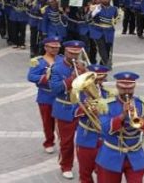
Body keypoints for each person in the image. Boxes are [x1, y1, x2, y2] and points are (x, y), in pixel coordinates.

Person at [96, 71, 144, 183]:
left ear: (134, 87)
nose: (127, 92)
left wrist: (139, 120)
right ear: (117, 87)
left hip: (135, 157)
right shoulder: (107, 105)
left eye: (130, 89)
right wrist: (122, 116)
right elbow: (104, 130)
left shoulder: (142, 104)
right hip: (111, 156)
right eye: (123, 89)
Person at [50, 40, 87, 179]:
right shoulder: (57, 68)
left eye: (76, 54)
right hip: (64, 108)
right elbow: (55, 89)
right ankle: (66, 165)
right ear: (65, 52)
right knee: (66, 141)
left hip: (82, 107)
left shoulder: (84, 66)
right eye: (71, 53)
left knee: (88, 139)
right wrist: (71, 79)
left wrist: (85, 73)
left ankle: (88, 165)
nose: (74, 57)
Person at [75, 64, 110, 183]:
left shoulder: (109, 94)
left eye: (99, 79)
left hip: (105, 140)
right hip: (86, 137)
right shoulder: (79, 93)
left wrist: (102, 111)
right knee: (85, 174)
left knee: (104, 173)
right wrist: (86, 108)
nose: (96, 83)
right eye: (93, 80)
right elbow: (72, 113)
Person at [27, 36, 61, 154]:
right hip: (45, 95)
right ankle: (49, 141)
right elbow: (31, 76)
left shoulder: (62, 59)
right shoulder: (38, 61)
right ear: (46, 47)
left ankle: (63, 141)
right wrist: (46, 78)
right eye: (52, 47)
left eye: (57, 47)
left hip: (60, 95)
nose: (55, 49)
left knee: (62, 121)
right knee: (48, 122)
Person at [89, 0, 118, 68]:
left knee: (108, 47)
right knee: (101, 47)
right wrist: (94, 12)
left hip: (109, 31)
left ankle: (103, 63)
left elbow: (116, 19)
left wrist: (115, 20)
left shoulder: (114, 9)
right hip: (97, 30)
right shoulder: (95, 7)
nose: (104, 0)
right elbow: (89, 17)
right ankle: (106, 63)